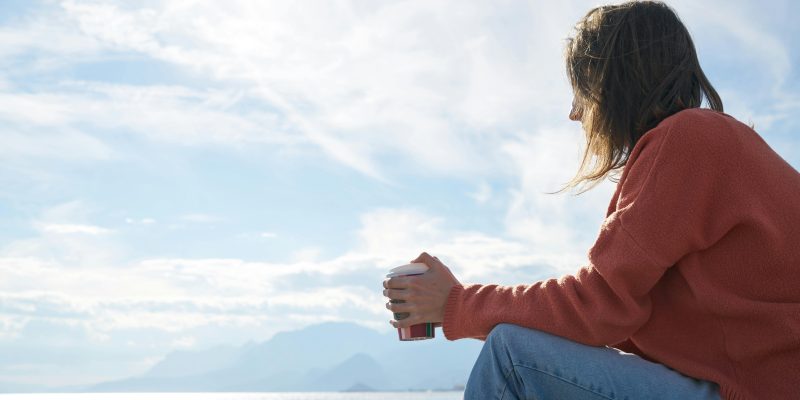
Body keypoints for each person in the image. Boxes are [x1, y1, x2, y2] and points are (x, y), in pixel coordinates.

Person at [382, 1, 800, 399]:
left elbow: (600, 305)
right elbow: (615, 319)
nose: (575, 113)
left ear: (612, 83)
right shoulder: (720, 145)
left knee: (511, 356)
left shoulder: (688, 140)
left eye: (581, 90)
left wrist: (457, 304)